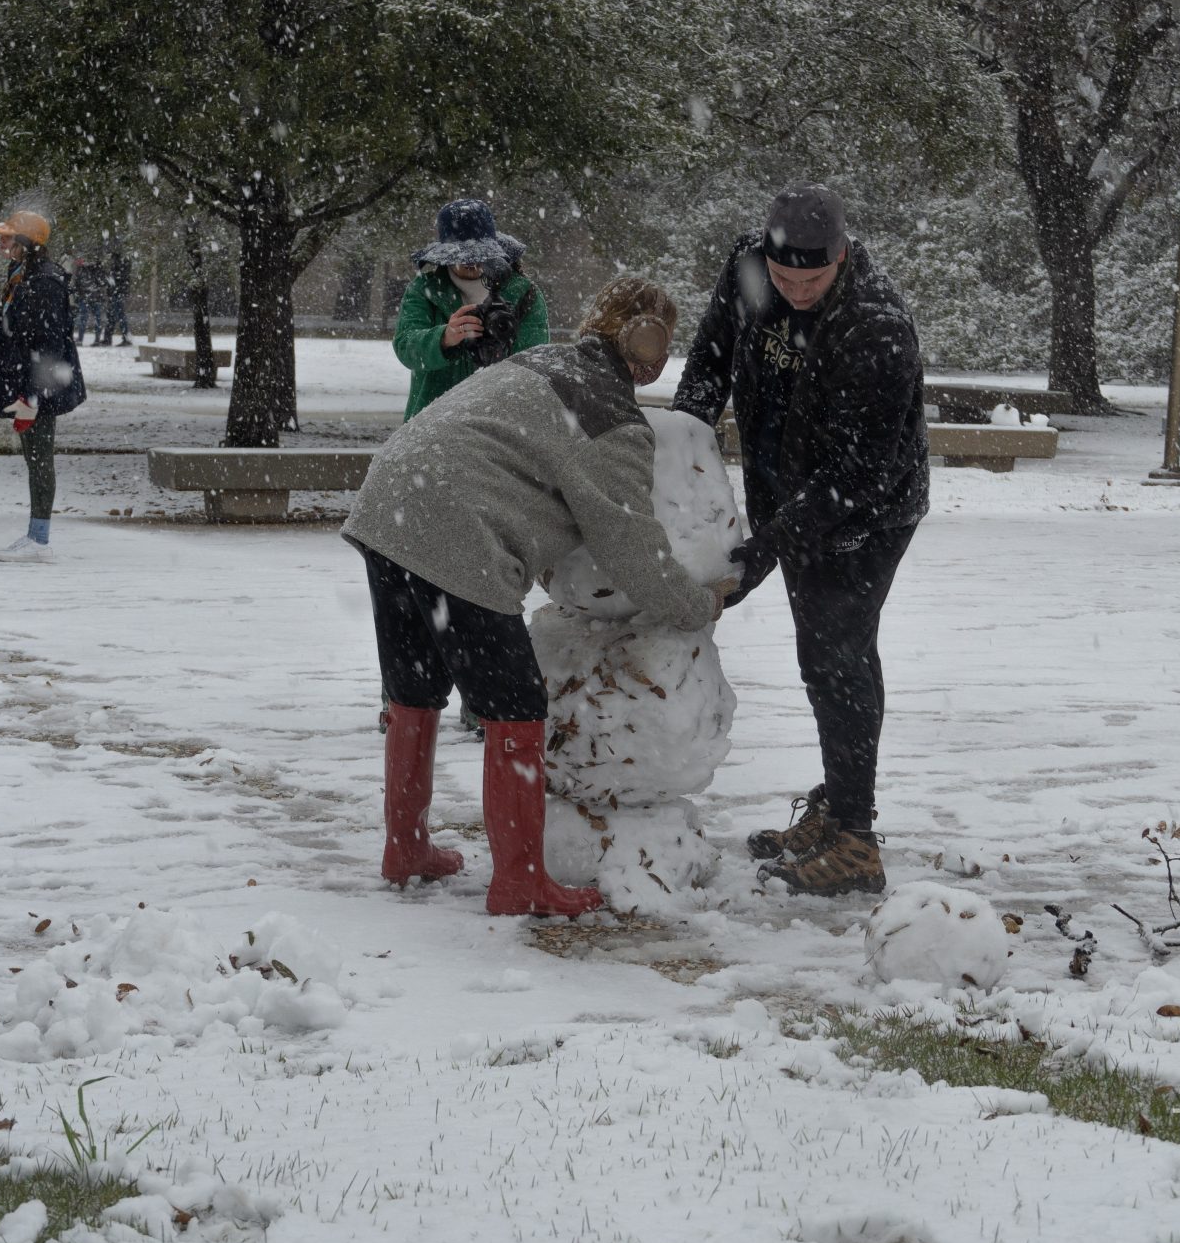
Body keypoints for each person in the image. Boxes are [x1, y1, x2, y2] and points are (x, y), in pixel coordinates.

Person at [345, 278, 733, 917]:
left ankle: (405, 848)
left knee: (414, 692)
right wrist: (699, 605)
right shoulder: (611, 417)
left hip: (389, 505)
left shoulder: (540, 359)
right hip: (458, 531)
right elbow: (630, 549)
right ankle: (521, 882)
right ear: (648, 345)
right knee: (516, 709)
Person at [674, 184, 928, 897]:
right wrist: (675, 457)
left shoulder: (875, 325)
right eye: (784, 280)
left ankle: (856, 840)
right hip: (792, 492)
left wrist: (766, 547)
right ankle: (842, 802)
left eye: (810, 280)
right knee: (823, 655)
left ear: (841, 256)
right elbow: (709, 366)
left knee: (836, 653)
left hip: (867, 513)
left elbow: (857, 473)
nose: (795, 292)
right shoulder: (750, 268)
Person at [0, 210, 88, 562]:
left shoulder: (44, 280)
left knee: (40, 458)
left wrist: (33, 395)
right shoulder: (20, 274)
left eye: (8, 236)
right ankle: (34, 534)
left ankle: (39, 539)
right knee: (33, 457)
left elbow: (49, 345)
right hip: (23, 380)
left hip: (38, 386)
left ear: (28, 243)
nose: (1, 242)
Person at [391, 198, 549, 419]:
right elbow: (406, 346)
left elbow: (535, 361)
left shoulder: (525, 293)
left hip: (503, 420)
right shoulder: (423, 289)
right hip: (433, 417)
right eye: (462, 256)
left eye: (478, 255)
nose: (471, 262)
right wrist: (444, 338)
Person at [99, 247, 132, 347]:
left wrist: (111, 282)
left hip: (116, 294)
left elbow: (118, 279)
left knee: (116, 316)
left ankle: (115, 338)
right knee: (114, 316)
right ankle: (110, 338)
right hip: (116, 293)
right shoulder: (119, 265)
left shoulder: (118, 265)